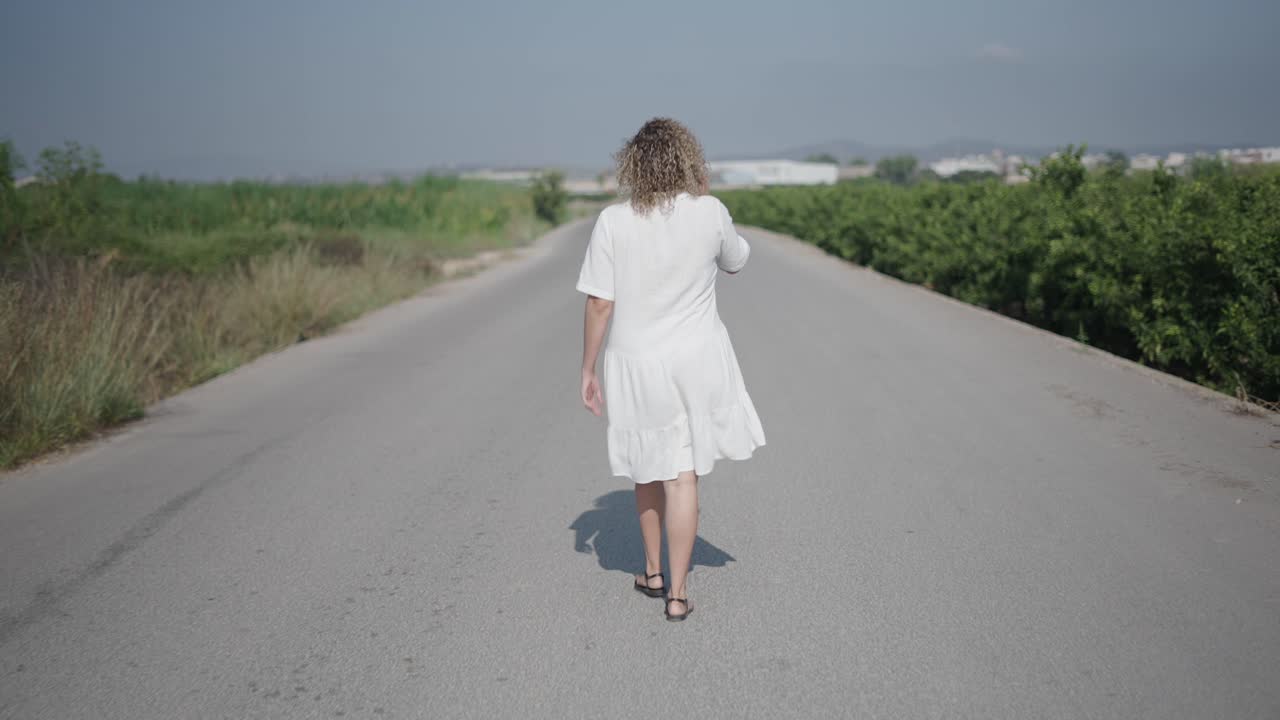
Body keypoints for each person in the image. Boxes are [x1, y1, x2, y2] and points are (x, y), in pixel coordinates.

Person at [576, 117, 766, 622]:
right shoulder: (710, 212)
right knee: (683, 477)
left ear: (633, 165)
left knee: (647, 467)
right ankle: (678, 595)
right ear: (689, 160)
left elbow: (600, 303)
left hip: (636, 363)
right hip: (696, 360)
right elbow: (737, 261)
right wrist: (704, 194)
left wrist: (587, 368)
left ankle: (653, 571)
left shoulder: (613, 221)